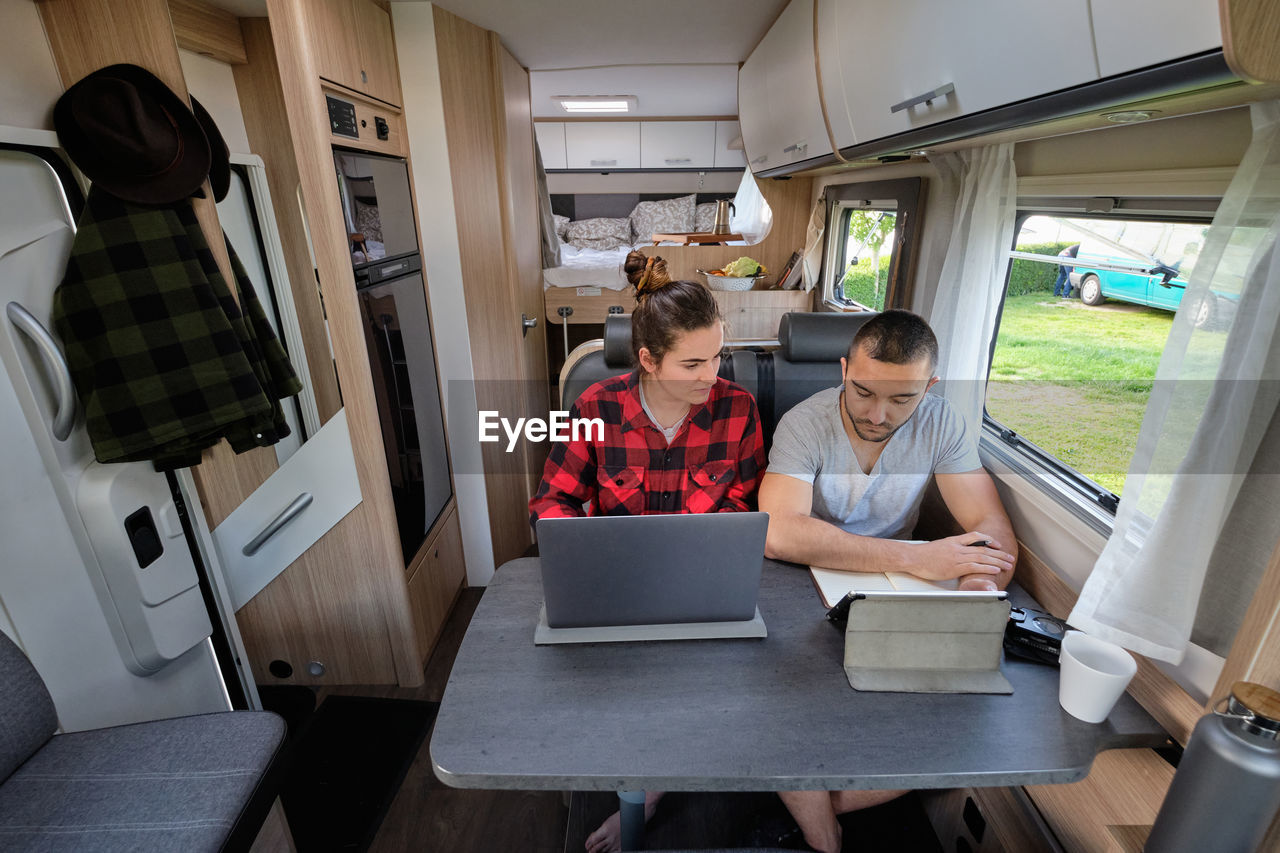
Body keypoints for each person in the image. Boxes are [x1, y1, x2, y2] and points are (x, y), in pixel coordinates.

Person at [529, 251, 767, 853]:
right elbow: (551, 505)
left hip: (702, 592)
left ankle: (655, 791)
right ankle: (631, 786)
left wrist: (705, 558)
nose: (711, 374)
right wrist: (589, 554)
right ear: (647, 360)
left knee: (712, 694)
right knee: (612, 695)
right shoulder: (594, 408)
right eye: (692, 363)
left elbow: (745, 510)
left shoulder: (737, 410)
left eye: (717, 357)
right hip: (617, 594)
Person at [756, 308, 1017, 853]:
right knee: (776, 703)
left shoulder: (942, 423)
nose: (878, 414)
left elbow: (990, 527)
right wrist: (914, 559)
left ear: (930, 386)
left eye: (902, 399)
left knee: (963, 729)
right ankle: (824, 835)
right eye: (864, 392)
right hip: (799, 587)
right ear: (844, 369)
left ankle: (812, 803)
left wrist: (977, 590)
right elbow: (778, 532)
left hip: (895, 593)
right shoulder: (806, 421)